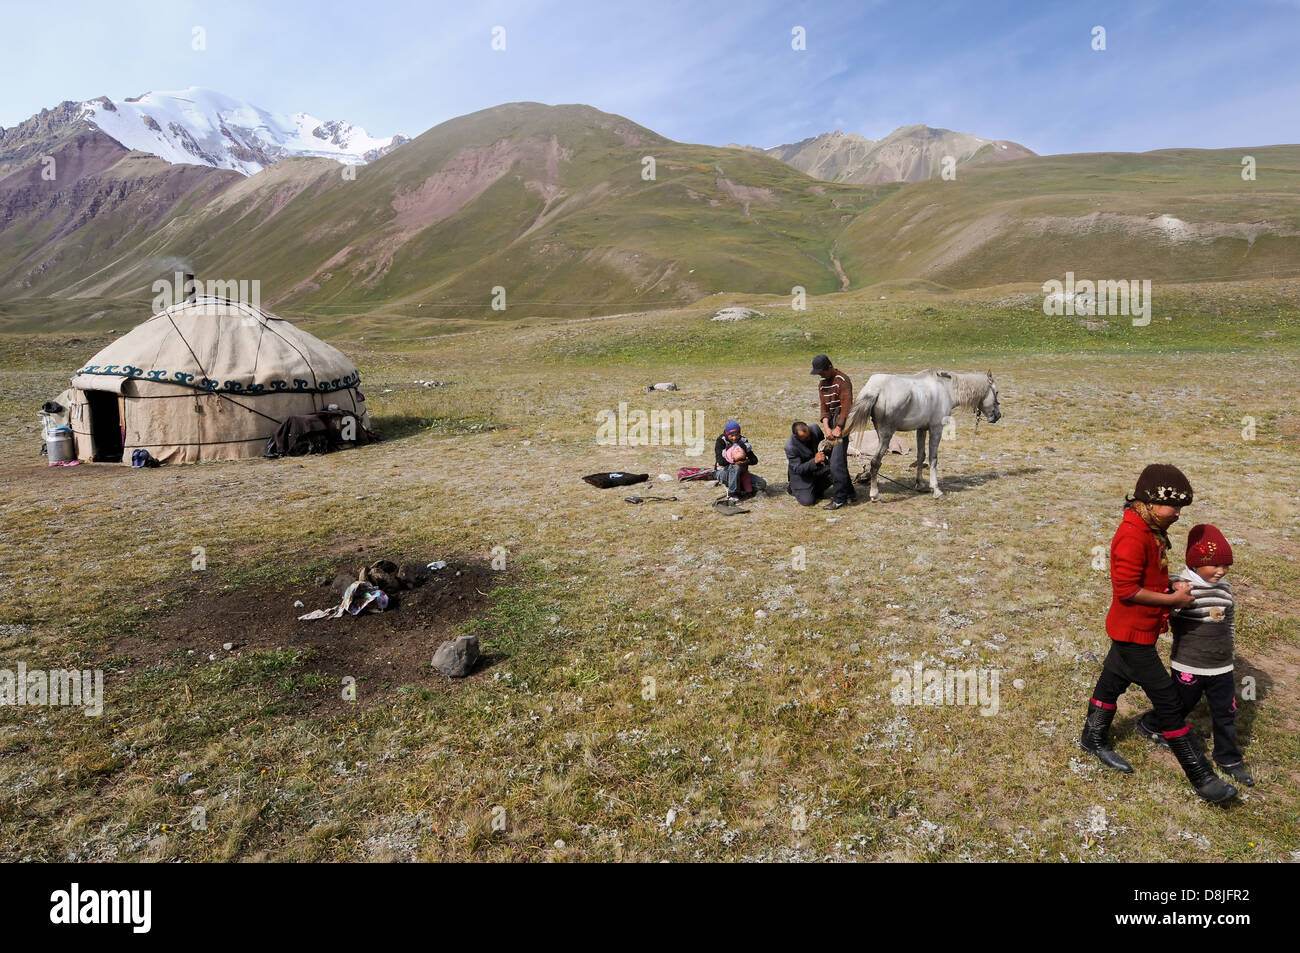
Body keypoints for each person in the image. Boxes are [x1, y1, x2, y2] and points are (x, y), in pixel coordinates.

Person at [1079, 464, 1238, 804]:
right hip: (1132, 631)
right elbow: (1126, 590)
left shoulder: (1151, 530)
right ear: (1150, 502)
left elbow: (1147, 578)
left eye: (1182, 508)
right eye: (1174, 506)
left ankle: (1092, 738)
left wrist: (1170, 583)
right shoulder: (1132, 535)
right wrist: (1173, 599)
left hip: (1142, 629)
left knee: (1112, 681)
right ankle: (1202, 777)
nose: (1178, 514)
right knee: (1168, 702)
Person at [1135, 524, 1254, 787]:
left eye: (1226, 566)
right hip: (1189, 664)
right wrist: (1173, 587)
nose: (1221, 571)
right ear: (1195, 563)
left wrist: (1230, 650)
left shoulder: (1224, 589)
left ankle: (1229, 758)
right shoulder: (1184, 588)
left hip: (1221, 666)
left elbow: (1229, 620)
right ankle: (1152, 723)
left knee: (1226, 712)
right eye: (1215, 565)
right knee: (1180, 706)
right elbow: (1161, 594)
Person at [811, 354, 855, 510]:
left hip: (842, 424)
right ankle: (850, 492)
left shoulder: (842, 381)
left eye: (822, 372)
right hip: (831, 425)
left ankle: (840, 498)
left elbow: (846, 406)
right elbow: (824, 408)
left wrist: (838, 428)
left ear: (830, 367)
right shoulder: (822, 384)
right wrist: (827, 427)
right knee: (836, 460)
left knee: (836, 462)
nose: (820, 376)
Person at [713, 420, 764, 503]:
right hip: (723, 472)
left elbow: (754, 460)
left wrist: (747, 461)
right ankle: (732, 494)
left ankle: (743, 490)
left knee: (761, 484)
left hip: (741, 474)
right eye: (731, 435)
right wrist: (734, 461)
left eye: (737, 435)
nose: (734, 438)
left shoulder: (742, 442)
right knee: (736, 467)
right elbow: (721, 461)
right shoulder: (721, 441)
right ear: (726, 434)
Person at [785, 421, 832, 506]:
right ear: (797, 437)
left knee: (836, 471)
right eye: (805, 438)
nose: (809, 438)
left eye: (810, 435)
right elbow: (798, 469)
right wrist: (814, 461)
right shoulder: (790, 447)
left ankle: (817, 488)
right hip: (802, 476)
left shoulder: (814, 429)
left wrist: (827, 449)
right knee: (808, 502)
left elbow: (823, 444)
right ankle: (793, 488)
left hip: (819, 469)